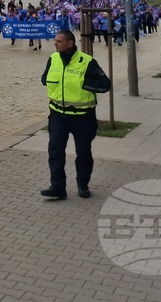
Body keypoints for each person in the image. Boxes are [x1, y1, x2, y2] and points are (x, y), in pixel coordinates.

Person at [39, 30, 110, 200]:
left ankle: (83, 184)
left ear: (70, 43)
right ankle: (57, 187)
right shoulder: (53, 59)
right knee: (55, 151)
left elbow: (105, 85)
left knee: (83, 152)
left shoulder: (87, 62)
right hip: (57, 114)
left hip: (82, 117)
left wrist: (83, 83)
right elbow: (44, 79)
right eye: (55, 40)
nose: (55, 43)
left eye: (59, 41)